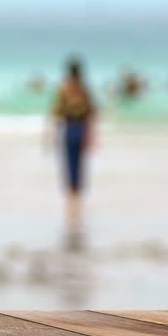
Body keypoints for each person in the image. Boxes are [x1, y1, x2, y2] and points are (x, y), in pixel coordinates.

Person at [50, 57, 97, 228]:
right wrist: (92, 136)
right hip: (78, 128)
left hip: (71, 128)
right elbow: (91, 115)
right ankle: (76, 203)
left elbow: (57, 114)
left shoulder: (66, 90)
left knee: (71, 166)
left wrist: (53, 135)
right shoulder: (83, 90)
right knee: (78, 166)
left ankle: (72, 204)